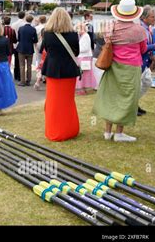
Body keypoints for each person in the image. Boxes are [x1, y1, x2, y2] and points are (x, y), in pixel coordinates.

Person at [93, 0, 147, 142]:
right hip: (131, 67)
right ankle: (119, 133)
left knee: (111, 97)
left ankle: (107, 132)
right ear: (134, 13)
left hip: (113, 66)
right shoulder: (139, 30)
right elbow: (143, 49)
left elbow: (106, 43)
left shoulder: (110, 27)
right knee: (127, 98)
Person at [40, 7, 80, 141]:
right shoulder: (74, 35)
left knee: (53, 102)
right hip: (69, 71)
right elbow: (76, 53)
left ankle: (55, 129)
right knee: (68, 102)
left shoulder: (47, 35)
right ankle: (70, 129)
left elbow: (44, 50)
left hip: (53, 71)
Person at [138, 5, 155, 115]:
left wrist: (154, 53)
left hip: (145, 62)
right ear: (144, 18)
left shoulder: (147, 29)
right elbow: (141, 48)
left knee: (147, 82)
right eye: (152, 17)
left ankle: (134, 103)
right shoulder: (141, 29)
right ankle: (132, 106)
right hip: (139, 63)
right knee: (137, 86)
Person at [75, 22, 96, 95]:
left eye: (78, 28)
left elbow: (85, 48)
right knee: (82, 74)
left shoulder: (85, 36)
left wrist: (76, 49)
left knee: (83, 74)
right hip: (83, 57)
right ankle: (82, 89)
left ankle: (81, 89)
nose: (77, 30)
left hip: (84, 57)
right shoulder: (83, 36)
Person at [17, 14, 38, 86]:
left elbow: (19, 39)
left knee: (22, 65)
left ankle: (22, 81)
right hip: (30, 49)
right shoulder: (33, 29)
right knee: (29, 65)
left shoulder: (21, 28)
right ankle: (28, 80)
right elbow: (35, 40)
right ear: (32, 20)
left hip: (21, 48)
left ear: (25, 19)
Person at [11, 11, 26, 81]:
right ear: (24, 16)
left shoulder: (13, 24)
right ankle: (21, 76)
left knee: (16, 60)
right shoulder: (25, 24)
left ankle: (16, 75)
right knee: (22, 61)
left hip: (15, 44)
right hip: (22, 43)